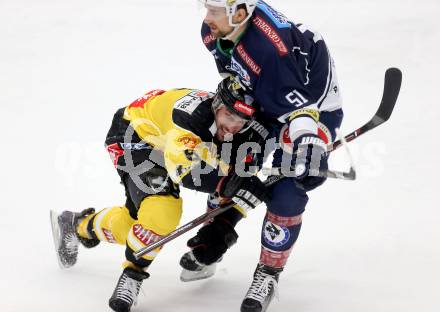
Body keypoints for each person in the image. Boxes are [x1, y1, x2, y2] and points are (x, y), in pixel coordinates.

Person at [50, 78, 270, 312]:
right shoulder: (190, 120)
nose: (233, 126)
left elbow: (239, 183)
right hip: (136, 137)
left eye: (242, 121)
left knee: (137, 224)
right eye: (229, 116)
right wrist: (232, 184)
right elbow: (186, 172)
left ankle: (77, 225)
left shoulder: (243, 131)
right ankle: (133, 273)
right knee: (162, 211)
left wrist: (222, 225)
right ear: (216, 104)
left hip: (165, 140)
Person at [179, 1, 344, 311]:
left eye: (214, 11)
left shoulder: (271, 51)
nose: (207, 18)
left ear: (239, 14)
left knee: (286, 191)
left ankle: (268, 272)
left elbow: (302, 111)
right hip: (265, 98)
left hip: (312, 111)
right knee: (230, 165)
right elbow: (239, 79)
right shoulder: (216, 31)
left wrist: (311, 146)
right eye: (208, 9)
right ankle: (217, 233)